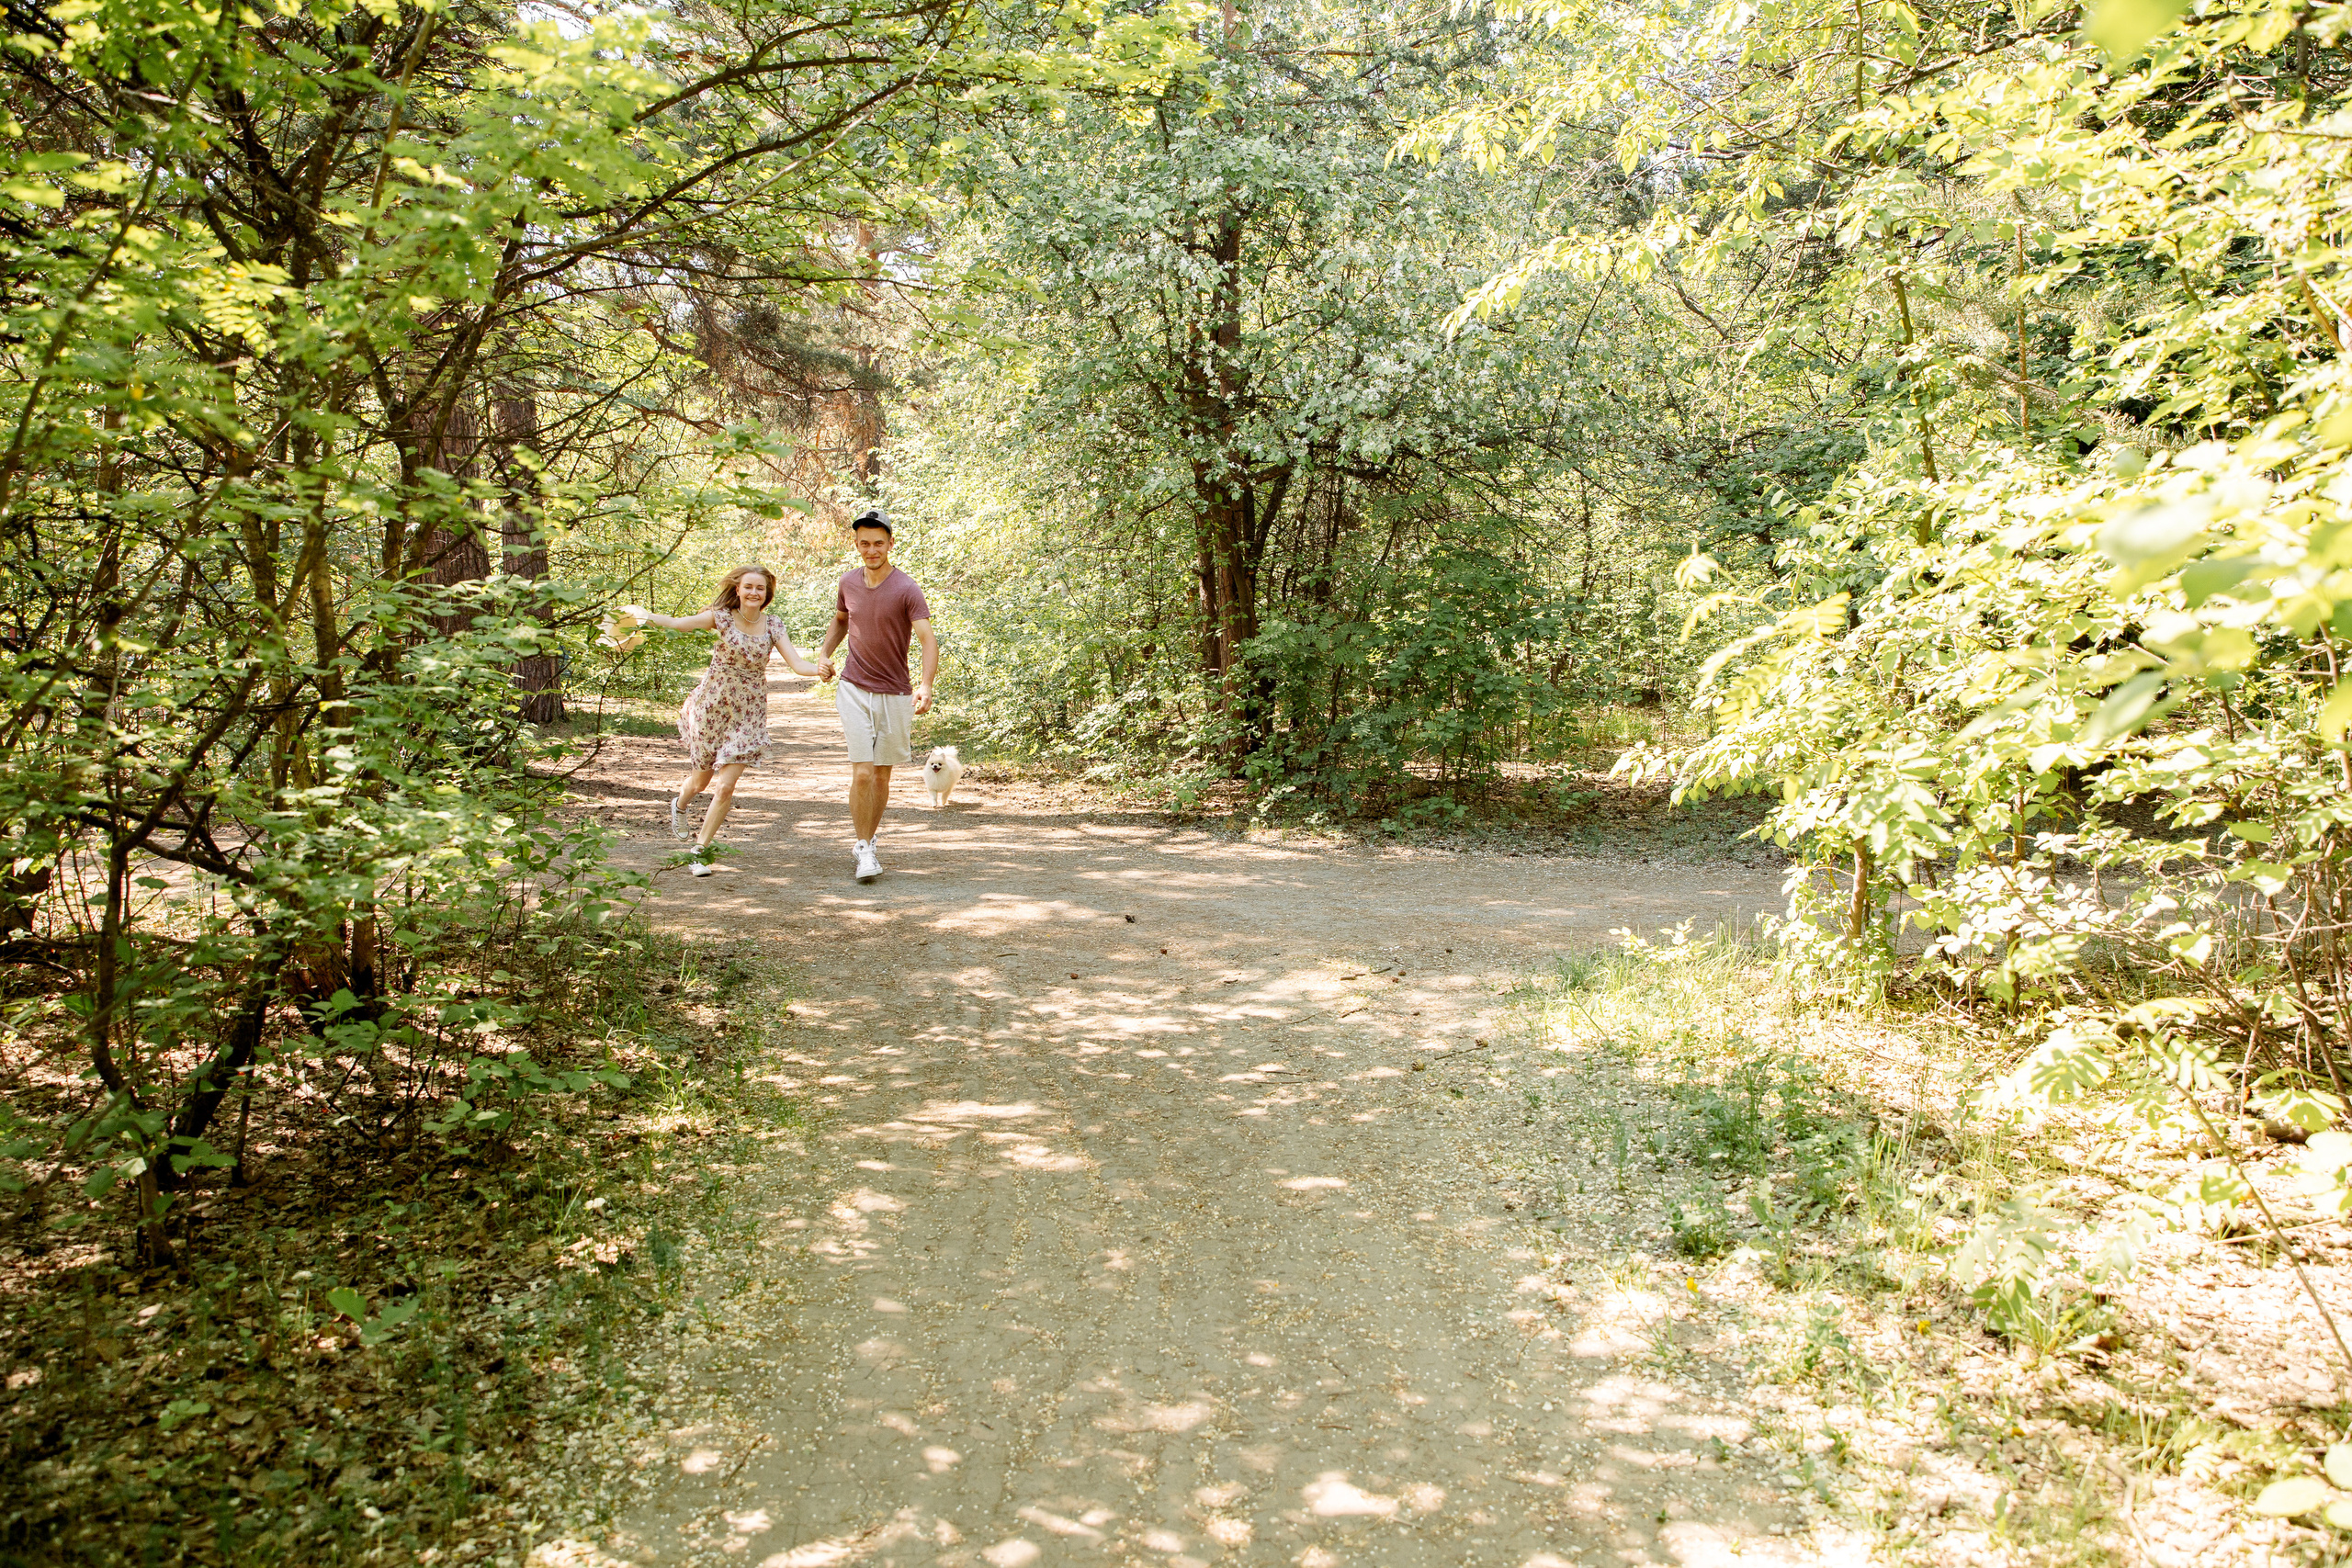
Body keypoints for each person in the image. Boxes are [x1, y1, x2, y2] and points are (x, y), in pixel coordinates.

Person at [625, 565, 831, 876]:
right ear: (737, 589)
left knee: (726, 786)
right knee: (701, 781)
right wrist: (641, 616)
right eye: (748, 586)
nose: (753, 593)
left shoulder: (774, 625)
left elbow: (797, 663)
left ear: (767, 594)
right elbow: (677, 624)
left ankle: (699, 850)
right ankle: (680, 805)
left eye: (760, 588)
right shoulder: (719, 617)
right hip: (712, 706)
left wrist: (818, 669)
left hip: (749, 711)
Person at [815, 510, 937, 884]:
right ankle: (864, 847)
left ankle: (868, 838)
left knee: (882, 775)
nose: (871, 550)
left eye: (878, 543)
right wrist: (825, 654)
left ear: (890, 544)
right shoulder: (848, 582)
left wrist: (926, 684)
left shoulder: (906, 588)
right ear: (856, 545)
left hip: (895, 692)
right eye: (864, 543)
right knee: (863, 773)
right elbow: (840, 620)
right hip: (853, 687)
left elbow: (927, 639)